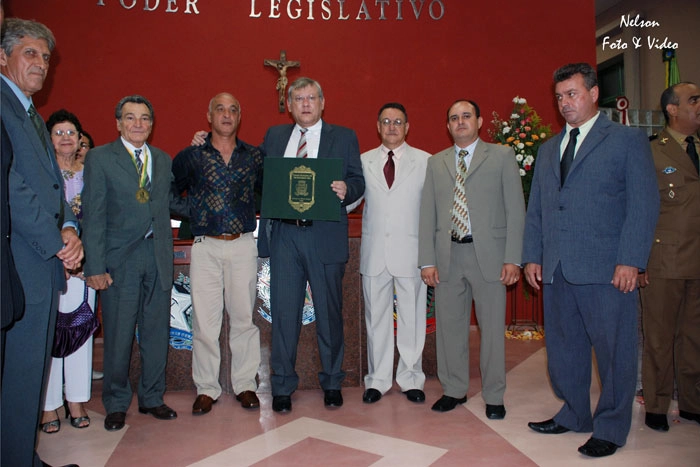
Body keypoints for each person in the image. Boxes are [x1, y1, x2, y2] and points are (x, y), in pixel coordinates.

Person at [522, 63, 659, 458]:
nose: (565, 103)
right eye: (560, 96)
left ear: (594, 93)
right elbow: (539, 210)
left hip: (608, 269)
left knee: (614, 352)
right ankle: (573, 413)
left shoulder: (626, 141)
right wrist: (533, 255)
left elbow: (643, 205)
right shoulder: (549, 148)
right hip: (558, 268)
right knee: (564, 350)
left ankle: (612, 427)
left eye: (573, 94)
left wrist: (631, 260)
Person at [1, 17, 83, 467]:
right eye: (30, 53)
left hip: (42, 259)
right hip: (19, 260)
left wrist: (69, 227)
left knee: (30, 371)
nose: (40, 63)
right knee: (19, 373)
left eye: (45, 57)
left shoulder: (30, 113)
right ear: (2, 56)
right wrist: (55, 240)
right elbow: (11, 186)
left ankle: (20, 456)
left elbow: (54, 187)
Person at [257, 77, 364, 412]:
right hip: (285, 236)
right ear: (289, 105)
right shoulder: (275, 136)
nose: (305, 104)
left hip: (324, 234)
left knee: (330, 313)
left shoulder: (343, 136)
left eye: (311, 98)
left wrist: (348, 189)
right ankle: (282, 386)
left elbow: (358, 180)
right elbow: (259, 175)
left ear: (322, 102)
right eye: (298, 98)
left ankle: (332, 381)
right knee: (284, 313)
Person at [82, 95, 187, 431]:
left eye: (144, 118)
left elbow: (168, 202)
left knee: (156, 333)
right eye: (130, 118)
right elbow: (94, 215)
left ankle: (153, 397)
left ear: (152, 125)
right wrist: (94, 265)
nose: (138, 124)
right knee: (118, 334)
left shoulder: (162, 159)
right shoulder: (100, 159)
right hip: (120, 260)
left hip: (156, 255)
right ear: (118, 123)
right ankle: (115, 402)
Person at [418, 99, 525, 419]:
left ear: (479, 121)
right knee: (450, 329)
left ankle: (494, 395)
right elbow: (428, 214)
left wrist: (513, 258)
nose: (460, 122)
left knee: (492, 330)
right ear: (447, 125)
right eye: (453, 118)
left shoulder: (502, 156)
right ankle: (453, 389)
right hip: (448, 254)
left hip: (489, 256)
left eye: (466, 116)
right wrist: (427, 260)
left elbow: (516, 209)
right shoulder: (436, 163)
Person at [173, 93, 262, 415]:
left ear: (240, 116)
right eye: (220, 109)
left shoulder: (254, 157)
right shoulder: (191, 156)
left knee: (243, 320)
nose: (227, 114)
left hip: (242, 245)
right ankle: (207, 388)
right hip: (206, 247)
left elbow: (270, 192)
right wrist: (195, 212)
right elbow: (169, 192)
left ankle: (245, 385)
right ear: (209, 116)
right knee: (205, 323)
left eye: (233, 109)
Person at [354, 103, 430, 405]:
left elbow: (432, 211)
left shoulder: (425, 161)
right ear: (378, 126)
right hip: (374, 253)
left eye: (398, 121)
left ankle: (412, 378)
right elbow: (351, 202)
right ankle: (378, 380)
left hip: (411, 253)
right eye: (386, 121)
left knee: (413, 318)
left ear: (407, 127)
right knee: (376, 320)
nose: (392, 126)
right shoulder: (362, 162)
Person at [640, 81, 700, 431]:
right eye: (693, 100)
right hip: (664, 259)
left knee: (693, 337)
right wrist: (640, 260)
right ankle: (657, 405)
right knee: (660, 338)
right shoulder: (652, 152)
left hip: (696, 262)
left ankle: (692, 402)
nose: (699, 105)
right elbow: (642, 210)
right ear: (672, 110)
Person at [40, 110, 97, 433]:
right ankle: (49, 406)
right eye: (59, 133)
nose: (65, 138)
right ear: (48, 139)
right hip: (49, 264)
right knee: (49, 334)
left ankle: (76, 400)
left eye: (71, 133)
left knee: (80, 334)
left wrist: (84, 258)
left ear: (79, 140)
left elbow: (100, 219)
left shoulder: (91, 174)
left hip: (82, 266)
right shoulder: (41, 174)